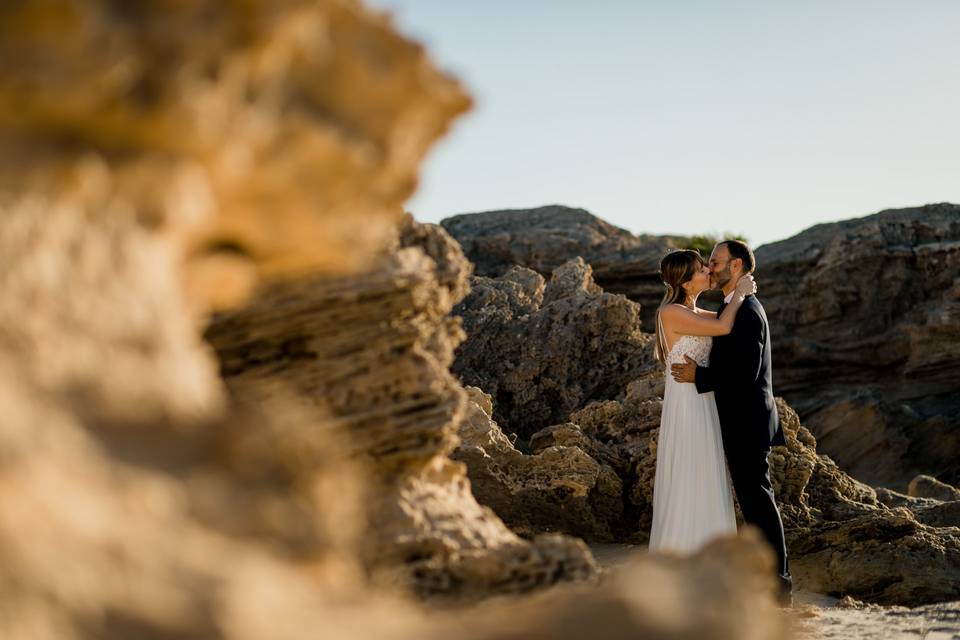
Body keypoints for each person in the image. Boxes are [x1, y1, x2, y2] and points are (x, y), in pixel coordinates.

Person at [670, 240, 793, 606]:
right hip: (735, 421)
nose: (711, 266)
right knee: (754, 503)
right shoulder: (731, 307)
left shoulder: (749, 311)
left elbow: (744, 373)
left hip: (747, 423)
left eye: (716, 261)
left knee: (758, 504)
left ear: (736, 266)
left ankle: (778, 587)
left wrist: (700, 376)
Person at [649, 249, 755, 555]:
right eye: (700, 269)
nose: (708, 270)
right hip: (687, 402)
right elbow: (723, 327)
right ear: (685, 282)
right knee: (690, 471)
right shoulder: (670, 312)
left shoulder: (694, 311)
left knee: (706, 472)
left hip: (703, 398)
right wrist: (741, 294)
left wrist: (737, 291)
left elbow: (724, 319)